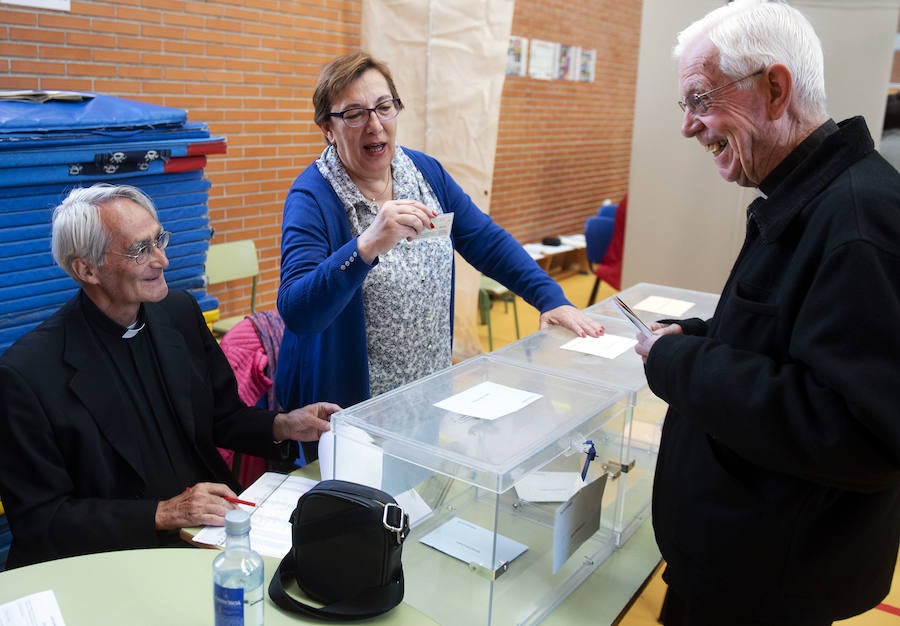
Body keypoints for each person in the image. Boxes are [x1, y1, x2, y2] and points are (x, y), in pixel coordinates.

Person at [633, 2, 900, 625]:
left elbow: (859, 433)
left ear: (775, 89)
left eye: (700, 99)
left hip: (768, 587)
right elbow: (791, 345)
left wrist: (677, 363)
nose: (689, 127)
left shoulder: (858, 220)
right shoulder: (810, 198)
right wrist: (697, 337)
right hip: (743, 566)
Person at [0, 184, 340, 569]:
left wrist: (283, 424)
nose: (162, 259)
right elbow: (41, 521)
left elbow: (221, 418)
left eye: (158, 239)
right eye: (139, 249)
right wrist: (162, 513)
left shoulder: (177, 312)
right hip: (115, 558)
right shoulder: (28, 373)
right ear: (86, 269)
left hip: (209, 533)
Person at [275, 51, 604, 422]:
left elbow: (485, 240)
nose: (375, 125)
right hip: (352, 411)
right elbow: (298, 311)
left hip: (428, 392)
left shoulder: (423, 172)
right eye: (354, 114)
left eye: (384, 107)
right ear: (327, 128)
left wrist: (549, 298)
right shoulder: (313, 196)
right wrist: (364, 247)